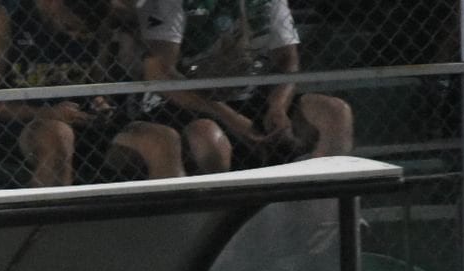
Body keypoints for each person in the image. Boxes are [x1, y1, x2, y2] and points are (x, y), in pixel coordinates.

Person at [0, 0, 184, 187]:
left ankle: (171, 228)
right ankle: (50, 226)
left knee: (163, 139)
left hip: (83, 122)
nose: (76, 37)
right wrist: (48, 112)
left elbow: (99, 83)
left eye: (84, 34)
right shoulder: (8, 16)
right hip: (25, 122)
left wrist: (102, 104)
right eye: (70, 27)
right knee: (57, 134)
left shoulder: (100, 19)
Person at [137, 0, 354, 174]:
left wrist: (278, 106)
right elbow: (159, 71)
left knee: (334, 112)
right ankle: (223, 223)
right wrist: (229, 117)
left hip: (252, 96)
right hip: (191, 102)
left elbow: (288, 59)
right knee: (206, 136)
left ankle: (327, 214)